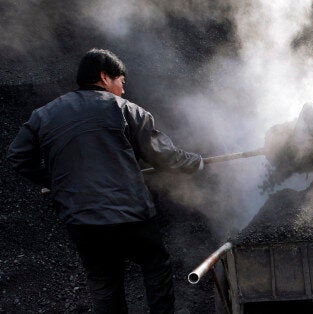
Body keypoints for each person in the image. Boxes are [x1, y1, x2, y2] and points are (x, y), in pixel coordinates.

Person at [7, 48, 204, 313]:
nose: (123, 90)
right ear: (104, 76)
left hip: (81, 219)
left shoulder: (43, 115)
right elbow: (162, 155)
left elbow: (18, 157)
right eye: (121, 82)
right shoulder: (125, 109)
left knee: (104, 281)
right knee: (155, 266)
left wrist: (58, 180)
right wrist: (195, 162)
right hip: (129, 215)